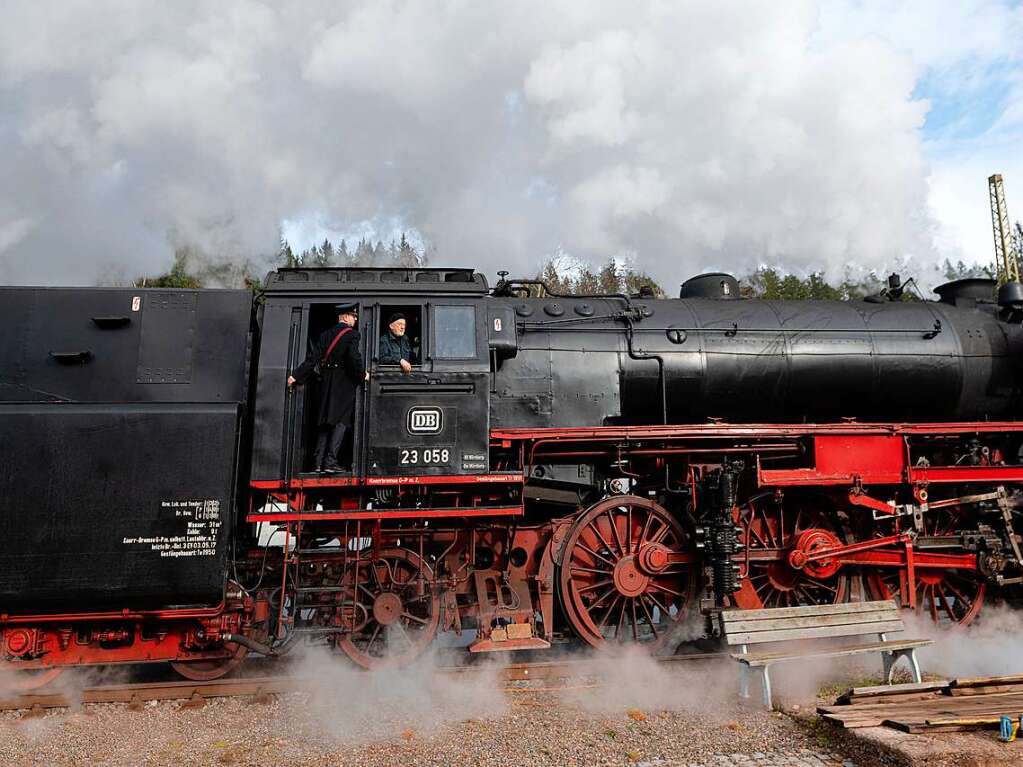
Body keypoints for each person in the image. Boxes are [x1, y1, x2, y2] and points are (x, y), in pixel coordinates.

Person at [288, 303, 367, 473]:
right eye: (353, 316)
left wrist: (295, 375)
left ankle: (318, 463)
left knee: (325, 421)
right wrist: (362, 375)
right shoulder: (352, 335)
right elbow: (354, 358)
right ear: (345, 317)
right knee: (341, 422)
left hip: (326, 382)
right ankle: (330, 462)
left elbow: (312, 359)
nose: (355, 319)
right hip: (343, 384)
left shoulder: (325, 335)